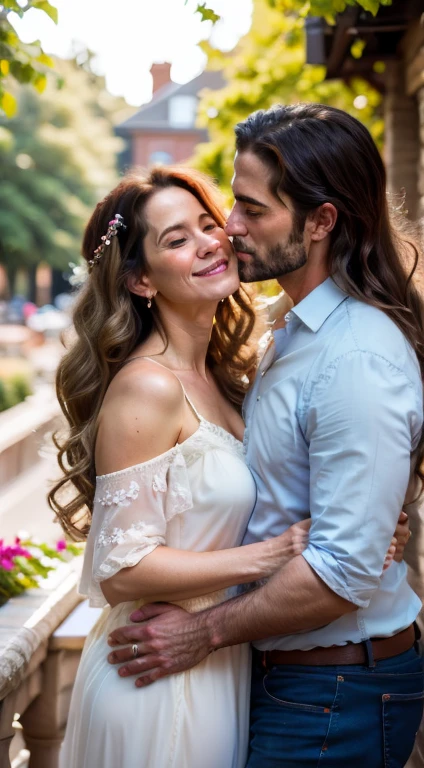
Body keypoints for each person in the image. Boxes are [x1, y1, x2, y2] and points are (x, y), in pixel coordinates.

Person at [107, 104, 424, 768]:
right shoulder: (287, 332)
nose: (230, 227)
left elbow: (341, 572)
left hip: (334, 691)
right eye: (233, 202)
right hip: (288, 682)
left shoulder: (353, 358)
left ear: (320, 222)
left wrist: (201, 632)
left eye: (252, 210)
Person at [50, 166, 316, 768]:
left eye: (207, 224)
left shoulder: (225, 376)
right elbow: (120, 569)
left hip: (215, 662)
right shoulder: (147, 386)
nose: (207, 244)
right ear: (141, 280)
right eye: (175, 239)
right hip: (153, 677)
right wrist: (277, 553)